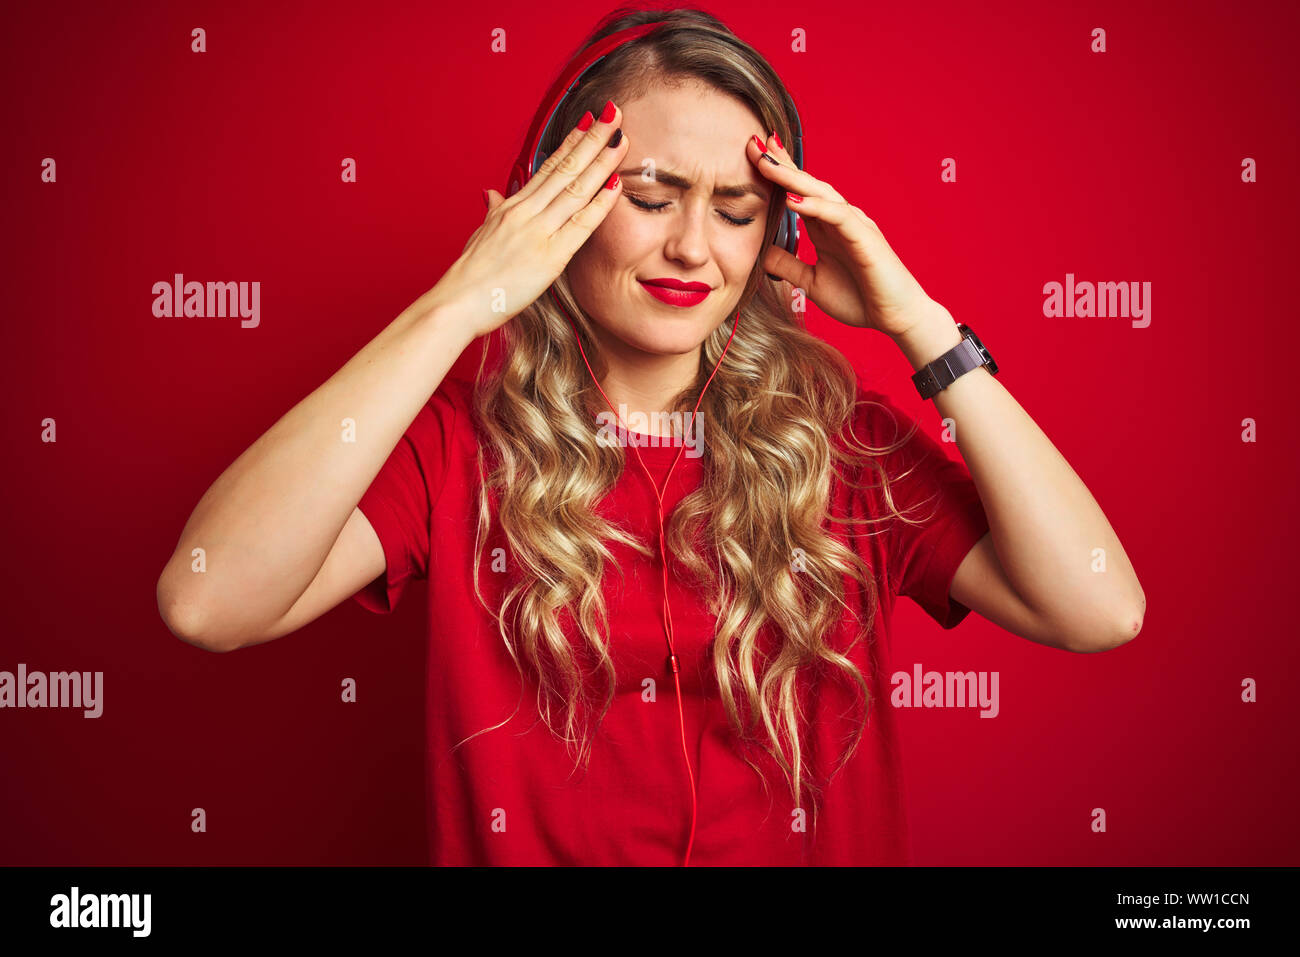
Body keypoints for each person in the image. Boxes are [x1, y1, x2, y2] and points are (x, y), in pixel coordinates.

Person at [155, 7, 1145, 866]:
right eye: (651, 197)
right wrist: (459, 302)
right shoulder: (456, 448)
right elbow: (207, 600)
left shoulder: (842, 450)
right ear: (562, 200)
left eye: (736, 211)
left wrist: (920, 324)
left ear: (777, 238)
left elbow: (1097, 607)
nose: (691, 247)